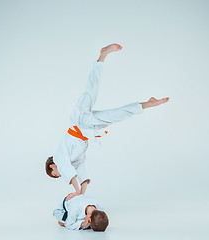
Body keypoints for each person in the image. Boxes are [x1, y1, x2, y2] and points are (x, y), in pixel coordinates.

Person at [45, 43, 169, 200]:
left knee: (91, 90)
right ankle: (148, 104)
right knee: (117, 115)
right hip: (89, 127)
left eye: (56, 174)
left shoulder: (59, 158)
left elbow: (67, 171)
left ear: (52, 166)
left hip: (78, 121)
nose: (59, 174)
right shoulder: (75, 159)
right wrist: (81, 194)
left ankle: (102, 55)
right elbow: (82, 172)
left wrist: (76, 192)